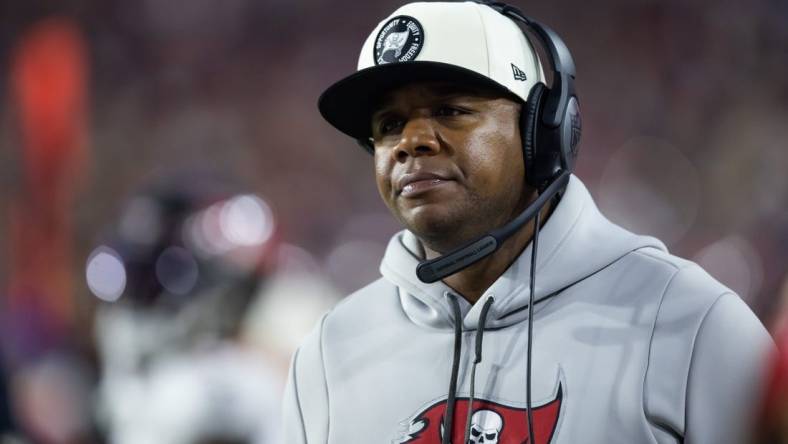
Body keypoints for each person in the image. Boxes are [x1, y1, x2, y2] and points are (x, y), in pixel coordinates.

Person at [283, 1, 774, 443]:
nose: (411, 142)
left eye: (451, 110)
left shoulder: (692, 323)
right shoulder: (328, 353)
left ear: (544, 132)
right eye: (389, 125)